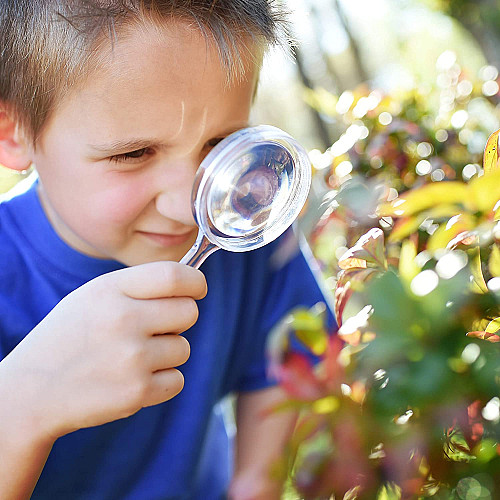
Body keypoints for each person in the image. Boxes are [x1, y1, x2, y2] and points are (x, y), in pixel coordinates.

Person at [0, 1, 332, 499]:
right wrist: (22, 403)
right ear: (14, 132)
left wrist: (254, 480)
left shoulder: (240, 219)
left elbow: (292, 352)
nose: (186, 206)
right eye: (133, 154)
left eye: (221, 143)